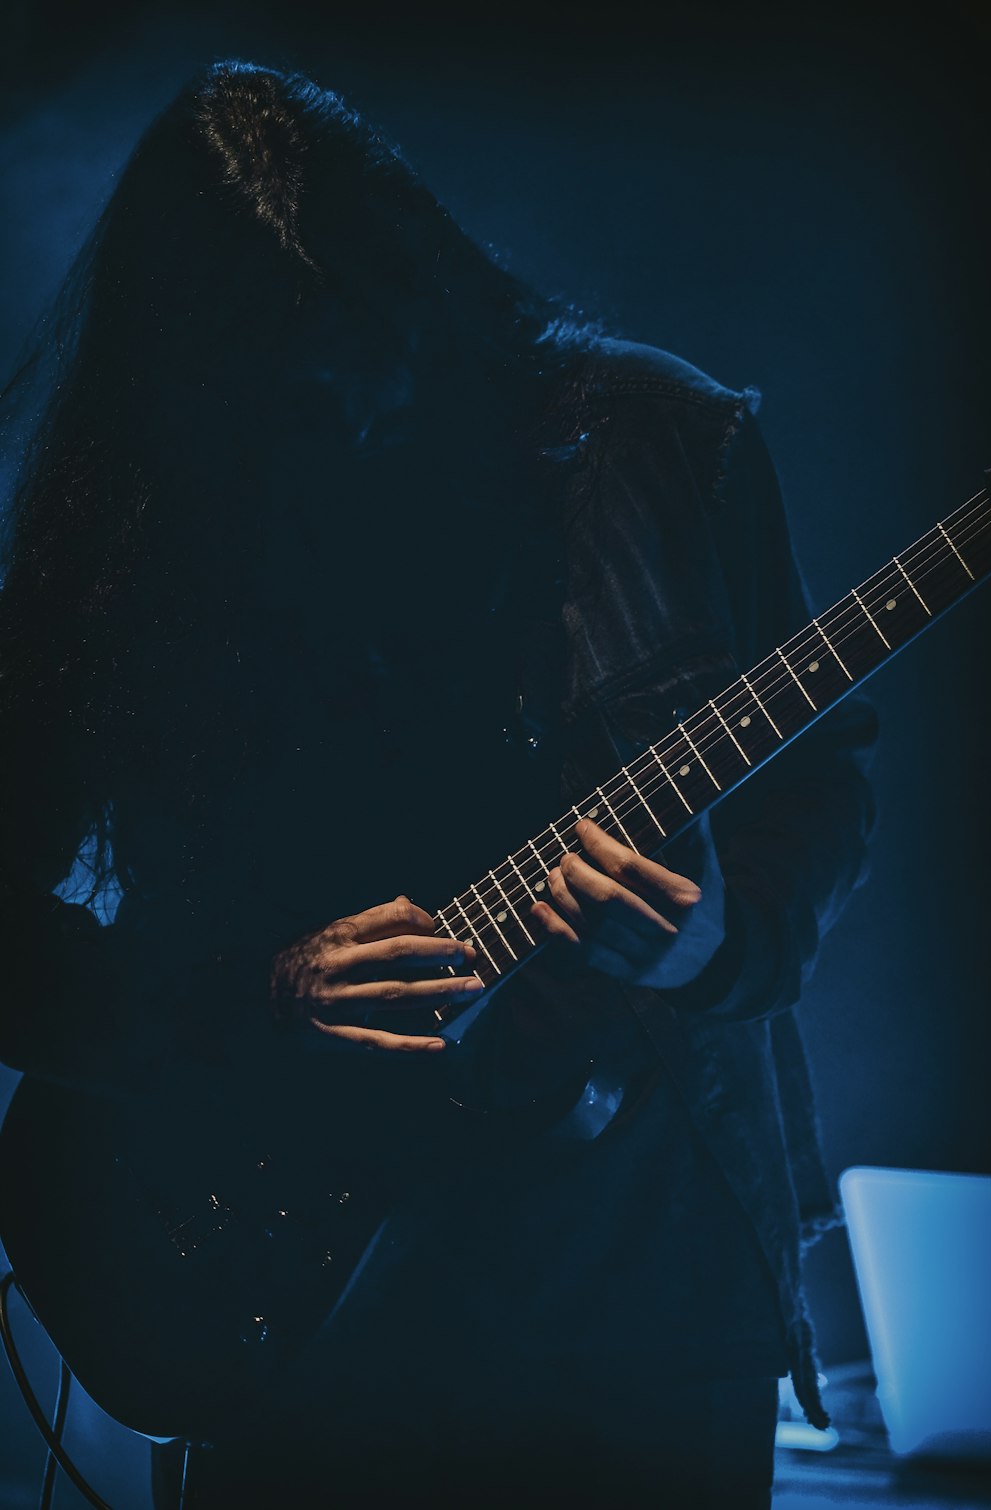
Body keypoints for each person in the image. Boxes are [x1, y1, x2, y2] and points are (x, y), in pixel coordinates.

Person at [0, 60, 876, 1507]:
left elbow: (822, 783)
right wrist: (249, 999)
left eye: (372, 373)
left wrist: (721, 930)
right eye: (288, 407)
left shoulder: (664, 444)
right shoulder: (135, 532)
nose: (348, 429)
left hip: (643, 1296)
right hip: (315, 1328)